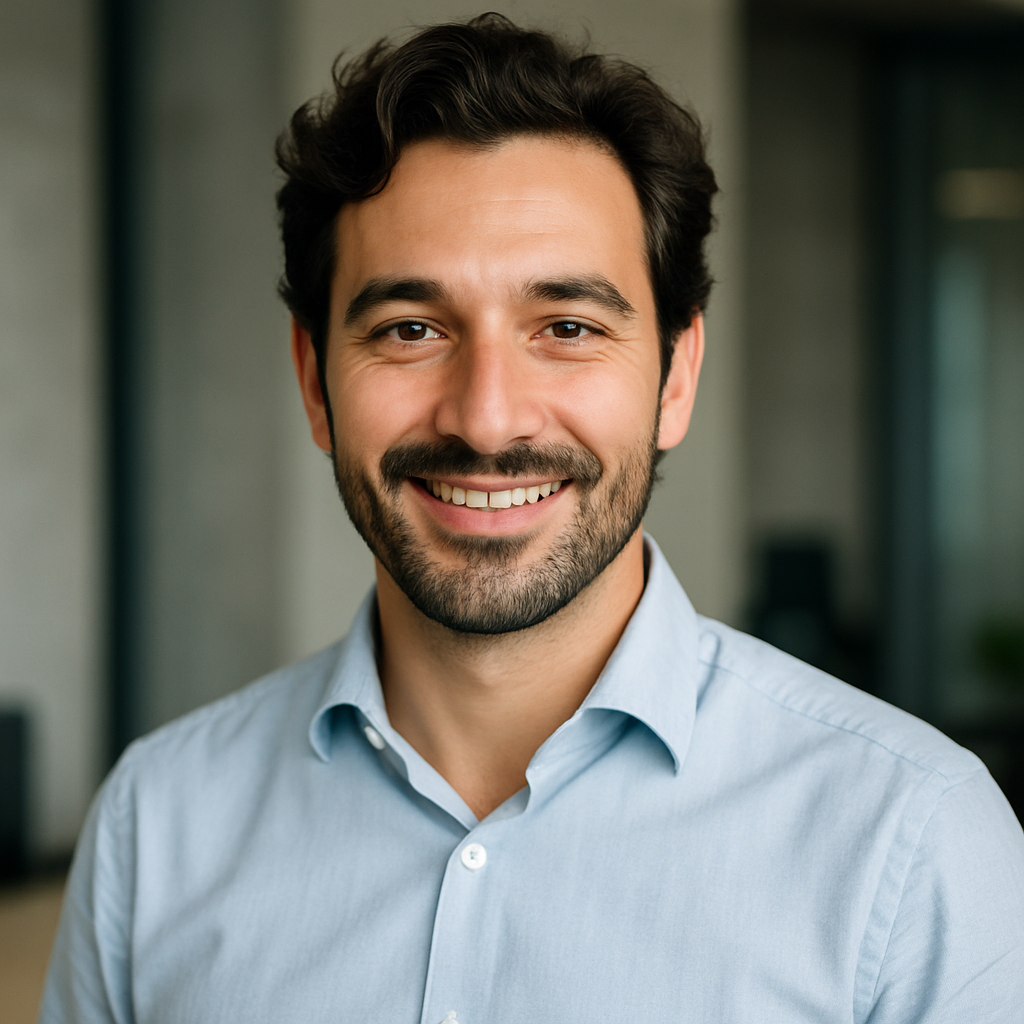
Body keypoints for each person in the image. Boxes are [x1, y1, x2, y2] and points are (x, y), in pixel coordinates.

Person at [42, 14, 1024, 1024]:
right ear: (313, 379)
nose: (487, 416)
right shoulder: (155, 828)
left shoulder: (912, 847)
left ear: (677, 375)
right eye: (411, 329)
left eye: (566, 327)